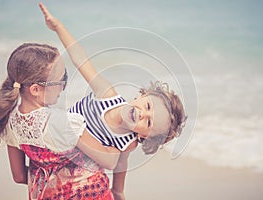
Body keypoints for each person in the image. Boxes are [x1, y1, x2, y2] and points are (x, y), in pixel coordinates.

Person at [39, 3, 186, 200]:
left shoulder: (128, 142)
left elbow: (117, 165)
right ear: (141, 96)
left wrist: (118, 192)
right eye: (148, 106)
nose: (143, 114)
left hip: (76, 175)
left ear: (144, 136)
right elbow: (80, 59)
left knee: (110, 161)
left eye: (148, 122)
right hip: (53, 148)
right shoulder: (107, 94)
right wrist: (59, 28)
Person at [0, 42, 121, 199]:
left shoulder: (11, 122)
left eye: (65, 77)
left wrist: (52, 178)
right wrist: (118, 137)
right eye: (60, 80)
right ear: (35, 89)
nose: (63, 86)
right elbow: (110, 161)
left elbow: (19, 177)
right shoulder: (64, 123)